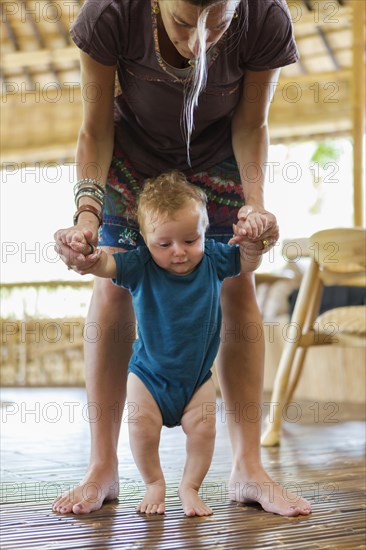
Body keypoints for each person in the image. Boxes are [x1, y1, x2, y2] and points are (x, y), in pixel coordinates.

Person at [53, 0, 312, 516]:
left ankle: (249, 469)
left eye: (217, 25)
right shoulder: (111, 13)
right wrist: (87, 214)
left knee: (238, 284)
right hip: (131, 153)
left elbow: (252, 124)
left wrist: (255, 208)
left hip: (218, 155)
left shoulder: (265, 17)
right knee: (111, 284)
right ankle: (102, 468)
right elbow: (95, 126)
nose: (199, 44)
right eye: (181, 24)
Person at [67, 172, 266, 516]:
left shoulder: (214, 259)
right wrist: (86, 254)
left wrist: (250, 245)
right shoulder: (140, 264)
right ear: (145, 240)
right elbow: (105, 263)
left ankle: (189, 486)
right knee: (142, 430)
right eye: (164, 244)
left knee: (204, 433)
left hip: (197, 380)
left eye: (191, 240)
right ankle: (154, 482)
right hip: (148, 378)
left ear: (204, 231)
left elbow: (246, 264)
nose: (178, 252)